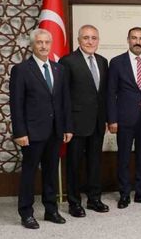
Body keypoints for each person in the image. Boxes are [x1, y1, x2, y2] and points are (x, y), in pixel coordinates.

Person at [10, 28, 73, 229]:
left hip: (55, 131)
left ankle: (50, 209)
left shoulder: (58, 69)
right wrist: (20, 132)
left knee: (51, 171)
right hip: (32, 132)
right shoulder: (21, 70)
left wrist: (66, 127)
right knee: (29, 173)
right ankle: (26, 213)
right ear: (32, 45)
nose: (44, 46)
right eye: (39, 42)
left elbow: (64, 102)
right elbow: (16, 104)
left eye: (47, 42)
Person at [60, 25, 110, 217]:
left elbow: (103, 94)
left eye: (94, 38)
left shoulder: (103, 61)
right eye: (86, 38)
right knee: (74, 164)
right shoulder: (68, 61)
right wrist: (67, 125)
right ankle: (74, 203)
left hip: (97, 123)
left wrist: (105, 119)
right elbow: (63, 96)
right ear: (79, 40)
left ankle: (94, 199)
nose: (90, 42)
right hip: (76, 124)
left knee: (95, 163)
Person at [107, 27, 141, 209]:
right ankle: (124, 194)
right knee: (123, 157)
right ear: (128, 40)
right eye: (134, 38)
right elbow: (111, 92)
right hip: (124, 118)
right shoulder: (116, 62)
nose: (138, 41)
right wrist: (112, 119)